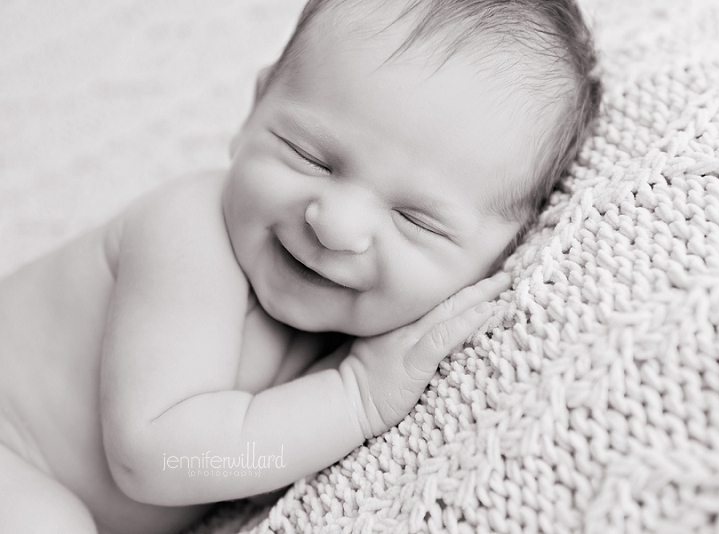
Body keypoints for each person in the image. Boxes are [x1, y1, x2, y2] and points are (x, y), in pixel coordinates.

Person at [0, 0, 600, 532]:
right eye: (308, 155)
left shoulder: (379, 315)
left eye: (416, 220)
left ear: (503, 251)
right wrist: (355, 398)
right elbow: (155, 457)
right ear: (254, 110)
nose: (335, 224)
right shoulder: (190, 230)